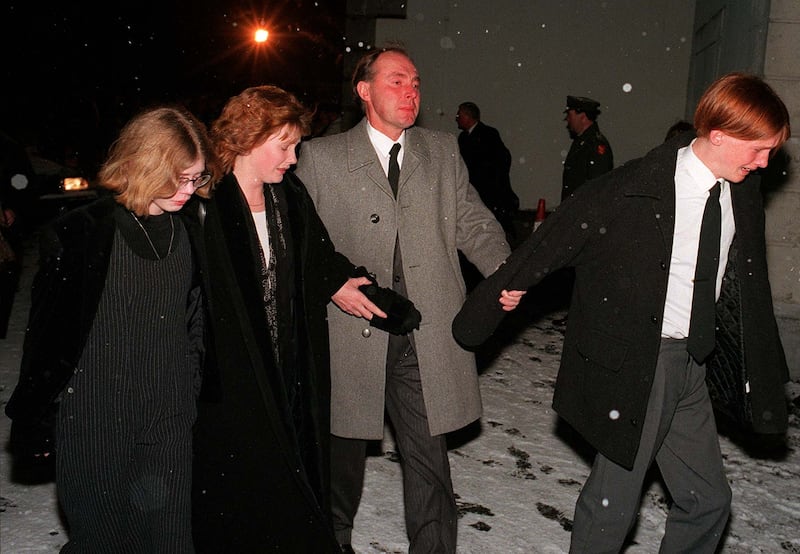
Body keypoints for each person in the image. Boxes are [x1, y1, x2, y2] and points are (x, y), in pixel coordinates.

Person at [453, 72, 791, 553]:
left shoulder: (741, 190)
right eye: (758, 150)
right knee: (613, 503)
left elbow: (747, 280)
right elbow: (562, 233)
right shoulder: (637, 186)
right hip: (641, 361)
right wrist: (504, 290)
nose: (764, 164)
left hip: (693, 361)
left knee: (707, 499)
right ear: (719, 135)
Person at [295, 43, 524, 553]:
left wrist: (506, 274)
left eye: (415, 82)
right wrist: (329, 283)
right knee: (339, 470)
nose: (410, 91)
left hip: (422, 334)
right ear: (364, 91)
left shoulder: (441, 152)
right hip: (349, 335)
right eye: (397, 80)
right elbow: (300, 240)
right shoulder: (320, 158)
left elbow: (473, 221)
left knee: (429, 463)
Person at [191, 85, 400, 552]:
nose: (292, 158)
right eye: (283, 146)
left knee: (290, 487)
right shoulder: (207, 205)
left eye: (296, 147)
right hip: (229, 382)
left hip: (289, 370)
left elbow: (318, 258)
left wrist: (348, 284)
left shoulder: (288, 197)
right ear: (247, 137)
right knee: (237, 497)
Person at [5, 105, 219, 552]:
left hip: (168, 422)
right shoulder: (81, 234)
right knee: (104, 542)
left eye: (196, 178)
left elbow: (197, 324)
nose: (189, 190)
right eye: (179, 178)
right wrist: (36, 418)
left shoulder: (191, 232)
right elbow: (47, 338)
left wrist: (190, 391)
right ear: (145, 165)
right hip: (95, 420)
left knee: (171, 543)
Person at [456, 101, 519, 240]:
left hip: (490, 192)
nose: (457, 118)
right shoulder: (463, 138)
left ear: (467, 116)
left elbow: (502, 159)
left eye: (459, 115)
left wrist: (487, 179)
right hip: (474, 189)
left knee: (496, 229)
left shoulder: (488, 134)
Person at [561, 95, 613, 200]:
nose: (567, 119)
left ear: (583, 117)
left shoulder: (595, 144)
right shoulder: (581, 142)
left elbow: (597, 186)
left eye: (570, 115)